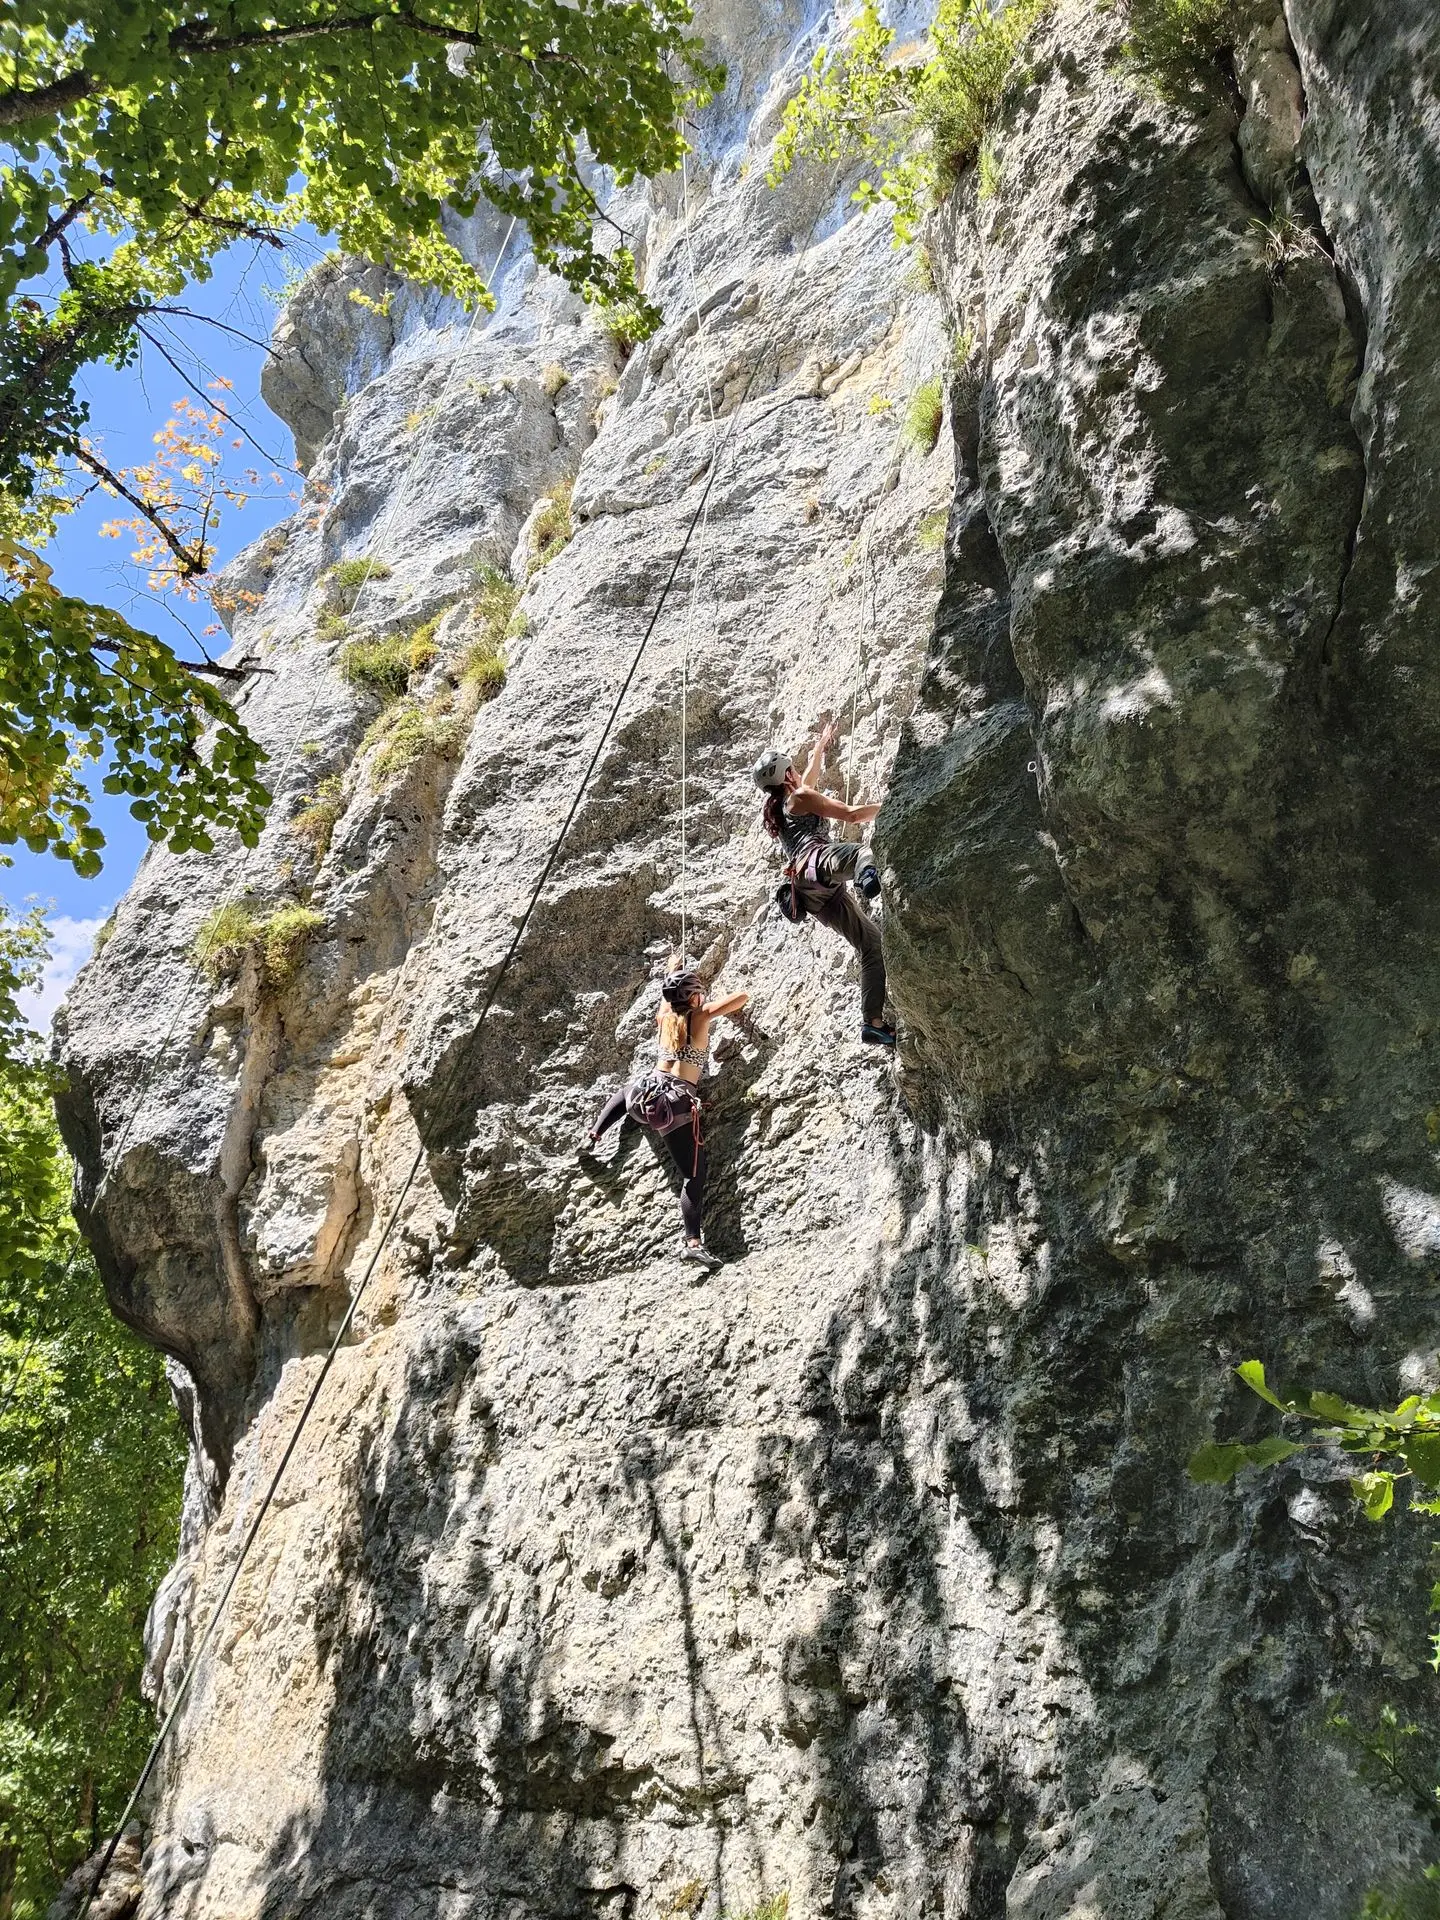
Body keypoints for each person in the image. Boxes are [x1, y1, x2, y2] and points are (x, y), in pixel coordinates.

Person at [587, 966, 749, 1270]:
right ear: (693, 997)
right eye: (698, 992)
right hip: (673, 1107)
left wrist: (673, 971)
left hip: (643, 1095)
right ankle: (693, 1244)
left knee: (625, 1090)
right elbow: (741, 997)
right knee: (693, 1176)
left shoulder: (665, 1018)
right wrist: (704, 1003)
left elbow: (667, 1003)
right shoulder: (700, 1015)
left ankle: (595, 1133)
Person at [752, 720, 896, 1046]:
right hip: (816, 862)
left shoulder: (786, 806)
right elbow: (852, 815)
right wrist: (892, 807)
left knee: (871, 945)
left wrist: (820, 747)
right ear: (787, 775)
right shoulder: (800, 797)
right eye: (792, 768)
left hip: (812, 895)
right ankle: (866, 878)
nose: (798, 772)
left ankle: (872, 1023)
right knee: (862, 853)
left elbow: (810, 777)